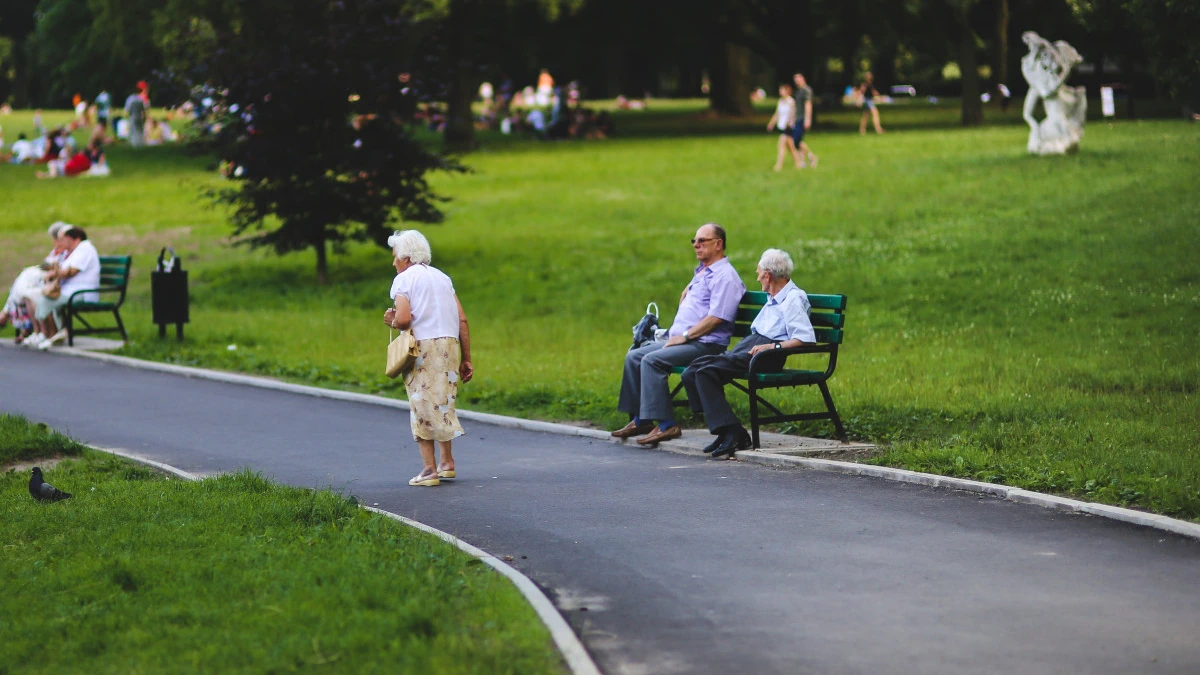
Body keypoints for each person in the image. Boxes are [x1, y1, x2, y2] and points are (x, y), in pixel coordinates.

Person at [612, 223, 747, 446]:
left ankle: (667, 425)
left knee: (652, 360)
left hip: (705, 344)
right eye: (694, 240)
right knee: (634, 356)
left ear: (718, 244)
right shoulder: (704, 272)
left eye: (702, 240)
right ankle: (642, 419)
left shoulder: (726, 277)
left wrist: (684, 337)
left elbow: (717, 318)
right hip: (685, 340)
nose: (696, 245)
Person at [681, 248, 815, 458]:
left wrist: (772, 347)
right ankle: (725, 430)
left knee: (706, 372)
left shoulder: (793, 298)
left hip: (767, 355)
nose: (757, 276)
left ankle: (734, 433)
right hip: (753, 346)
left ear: (768, 275)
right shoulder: (774, 296)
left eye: (758, 272)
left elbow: (805, 338)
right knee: (692, 370)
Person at [382, 230, 474, 487]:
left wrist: (391, 320)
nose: (393, 263)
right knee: (443, 402)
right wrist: (467, 358)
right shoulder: (443, 278)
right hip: (449, 345)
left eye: (395, 257)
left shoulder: (403, 280)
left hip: (423, 348)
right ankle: (447, 463)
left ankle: (428, 470)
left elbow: (403, 319)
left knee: (421, 405)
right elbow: (462, 320)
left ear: (406, 257)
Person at [27, 226, 100, 350]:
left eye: (64, 239)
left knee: (45, 299)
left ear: (75, 239)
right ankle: (52, 333)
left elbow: (70, 271)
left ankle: (52, 334)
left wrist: (55, 272)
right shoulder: (74, 251)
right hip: (70, 290)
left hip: (81, 292)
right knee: (34, 296)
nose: (61, 242)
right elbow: (58, 268)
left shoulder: (85, 249)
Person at [0, 222, 71, 342]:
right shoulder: (57, 251)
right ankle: (11, 316)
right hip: (46, 281)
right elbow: (46, 265)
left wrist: (50, 268)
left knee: (25, 282)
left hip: (53, 283)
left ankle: (7, 313)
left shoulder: (67, 251)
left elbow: (59, 269)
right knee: (26, 286)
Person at [766, 83, 802, 171]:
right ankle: (798, 164)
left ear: (787, 91)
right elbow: (777, 114)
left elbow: (794, 113)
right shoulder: (780, 101)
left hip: (788, 127)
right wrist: (771, 123)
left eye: (782, 90)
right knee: (791, 147)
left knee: (781, 145)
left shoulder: (791, 101)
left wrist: (790, 122)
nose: (780, 92)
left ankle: (778, 165)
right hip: (782, 126)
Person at [791, 73, 818, 168]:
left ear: (803, 78)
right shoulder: (798, 91)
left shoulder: (806, 90)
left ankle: (812, 156)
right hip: (798, 118)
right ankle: (802, 162)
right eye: (795, 79)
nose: (797, 81)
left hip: (803, 118)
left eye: (798, 79)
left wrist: (807, 119)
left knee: (795, 141)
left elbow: (808, 105)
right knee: (799, 141)